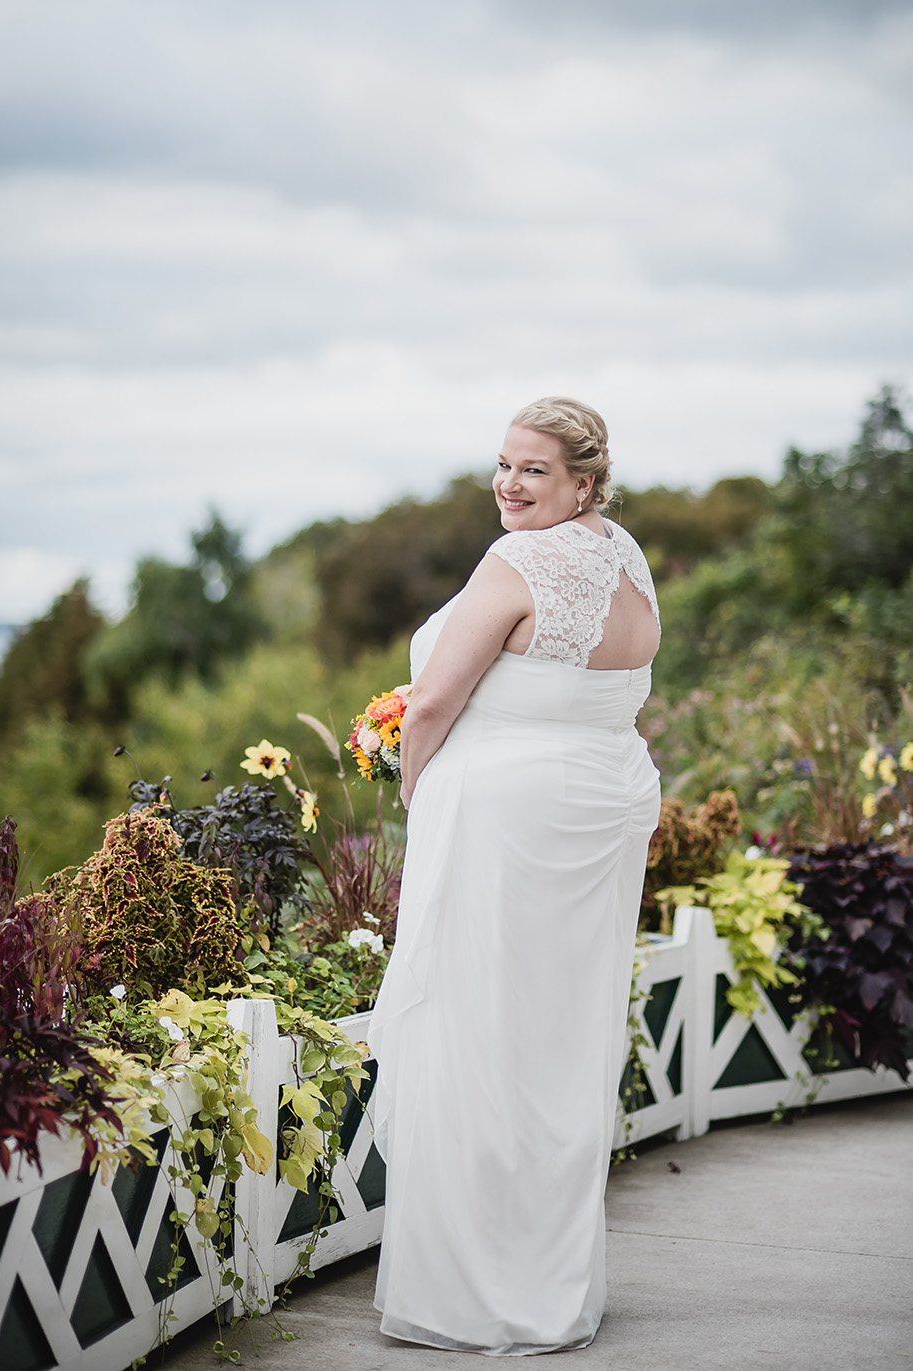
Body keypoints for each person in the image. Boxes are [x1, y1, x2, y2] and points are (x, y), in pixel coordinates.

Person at [367, 397, 662, 1356]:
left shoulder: (520, 562)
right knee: (560, 1040)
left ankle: (474, 1291)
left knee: (481, 1034)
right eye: (502, 464)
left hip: (511, 817)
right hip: (602, 801)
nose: (509, 483)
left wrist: (418, 799)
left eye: (533, 469)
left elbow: (434, 703)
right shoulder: (627, 558)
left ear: (584, 479)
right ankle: (551, 1278)